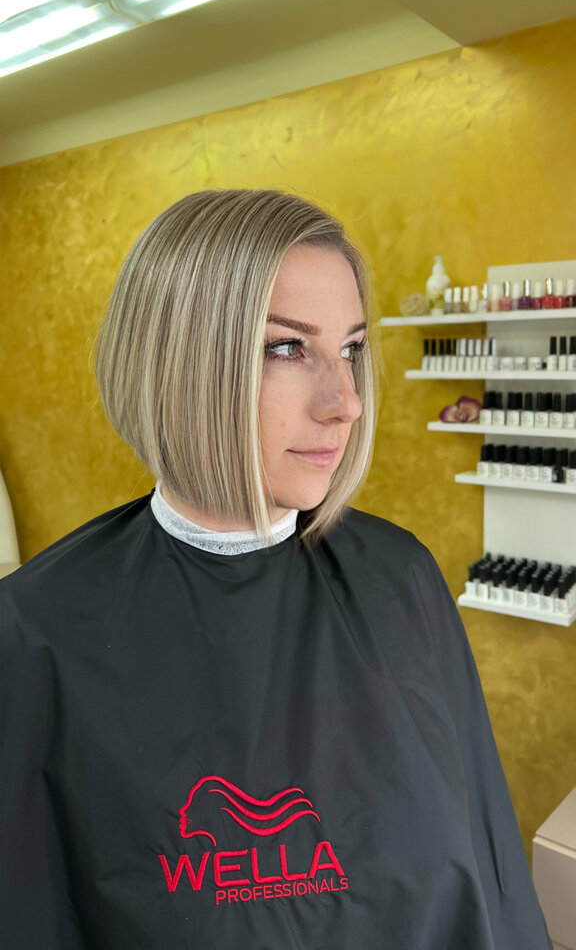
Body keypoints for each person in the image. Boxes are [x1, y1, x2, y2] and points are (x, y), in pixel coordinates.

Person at [0, 189, 551, 949]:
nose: (346, 402)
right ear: (177, 363)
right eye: (287, 348)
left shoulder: (402, 580)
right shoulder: (33, 631)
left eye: (351, 349)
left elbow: (491, 882)